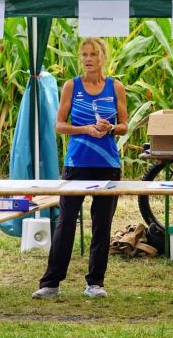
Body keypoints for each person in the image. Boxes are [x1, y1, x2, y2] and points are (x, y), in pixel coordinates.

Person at [33, 38, 128, 300]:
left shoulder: (115, 87)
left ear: (103, 57)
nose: (88, 59)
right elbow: (59, 125)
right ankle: (50, 284)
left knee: (102, 225)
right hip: (76, 164)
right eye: (84, 54)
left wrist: (110, 128)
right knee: (65, 223)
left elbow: (124, 125)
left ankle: (95, 283)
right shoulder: (71, 86)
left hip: (107, 166)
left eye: (93, 54)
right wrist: (85, 129)